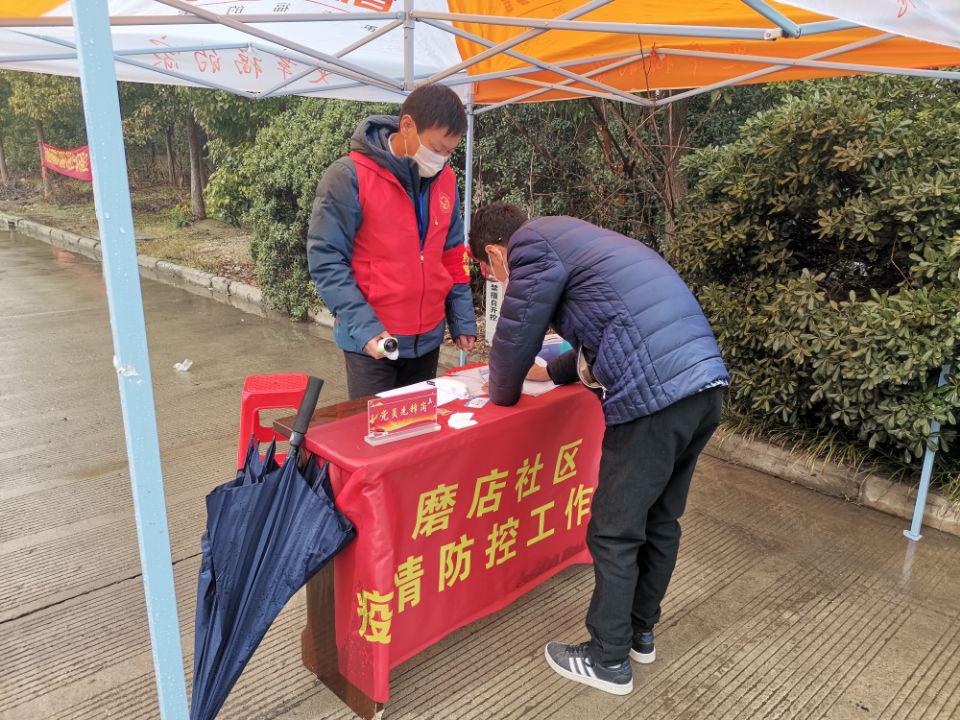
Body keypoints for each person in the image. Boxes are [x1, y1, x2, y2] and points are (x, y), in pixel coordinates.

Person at [469, 203, 729, 696]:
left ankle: (608, 659)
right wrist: (551, 372)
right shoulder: (574, 236)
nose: (495, 278)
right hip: (702, 385)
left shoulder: (528, 248)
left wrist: (501, 389)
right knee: (660, 520)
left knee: (614, 531)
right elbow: (615, 325)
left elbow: (514, 338)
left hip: (653, 398)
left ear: (494, 254)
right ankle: (639, 634)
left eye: (487, 271)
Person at [307, 84, 477, 399]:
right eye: (436, 148)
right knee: (376, 427)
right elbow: (326, 259)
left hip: (427, 338)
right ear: (408, 126)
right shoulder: (349, 176)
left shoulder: (446, 180)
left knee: (419, 425)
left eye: (450, 152)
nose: (442, 159)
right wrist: (365, 327)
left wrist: (462, 318)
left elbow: (453, 254)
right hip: (374, 342)